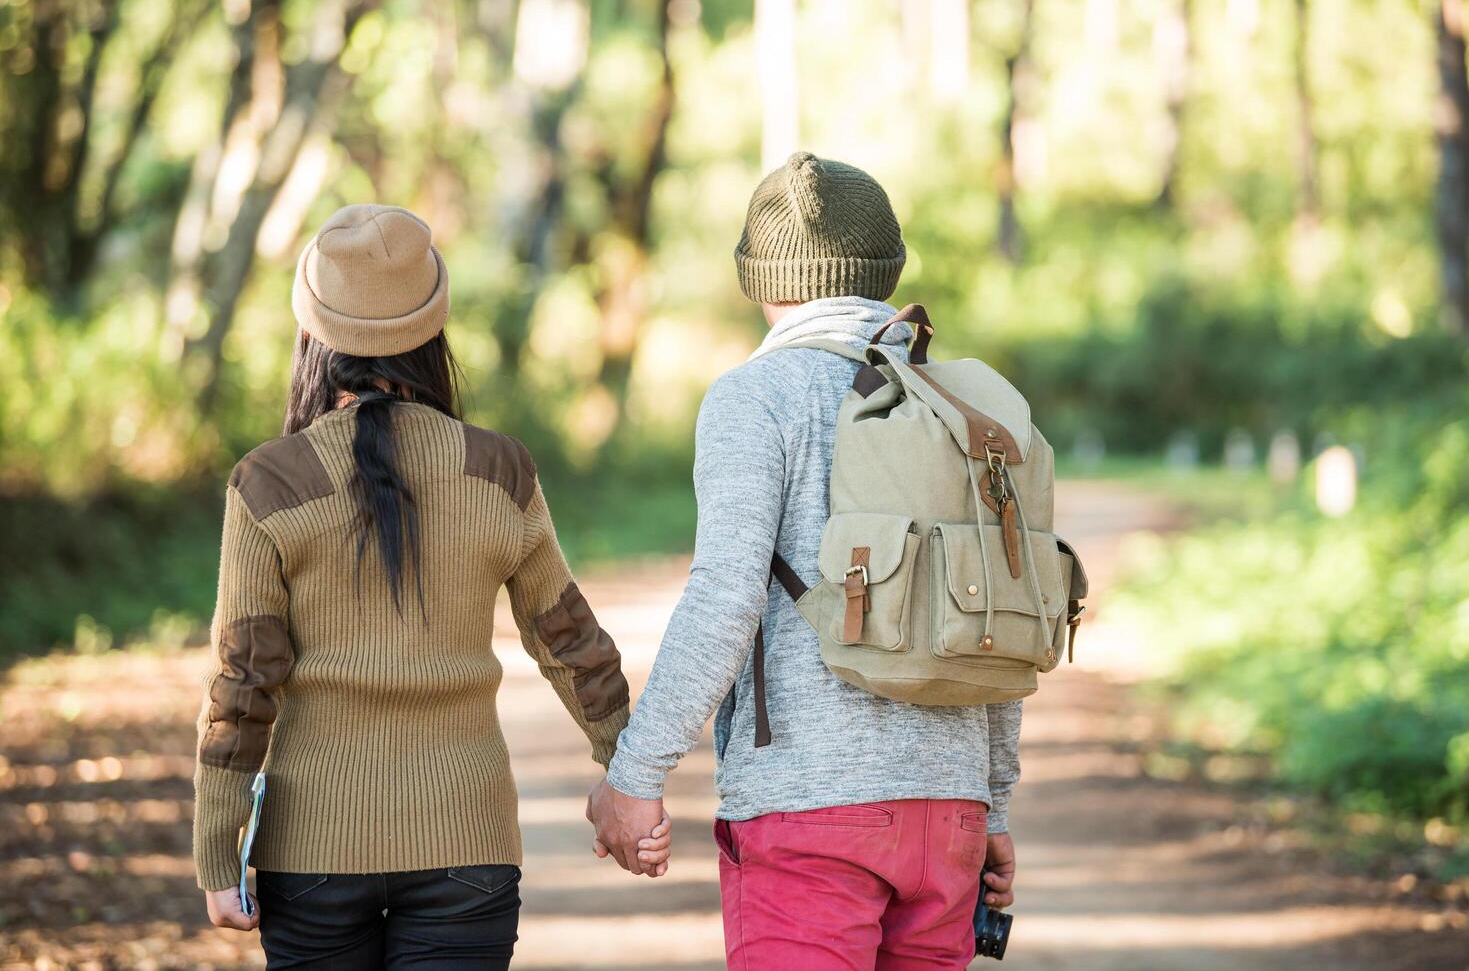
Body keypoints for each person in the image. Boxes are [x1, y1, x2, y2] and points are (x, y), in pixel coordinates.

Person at [192, 204, 669, 968]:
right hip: (467, 846)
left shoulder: (269, 482)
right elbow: (570, 642)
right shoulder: (498, 469)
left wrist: (217, 854)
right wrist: (628, 772)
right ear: (433, 330)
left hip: (310, 854)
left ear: (311, 333)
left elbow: (243, 681)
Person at [588, 153, 1021, 968]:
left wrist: (635, 772)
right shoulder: (964, 404)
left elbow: (725, 596)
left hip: (809, 812)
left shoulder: (756, 397)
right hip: (949, 817)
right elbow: (997, 614)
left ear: (758, 281)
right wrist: (990, 805)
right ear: (887, 270)